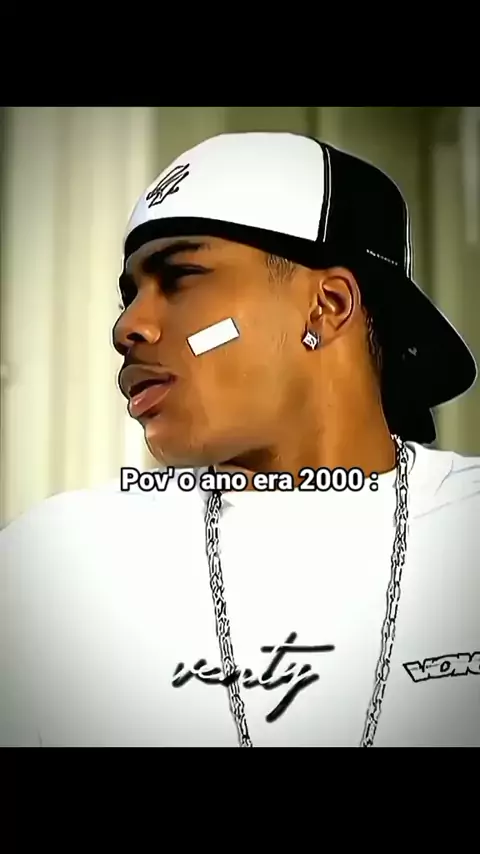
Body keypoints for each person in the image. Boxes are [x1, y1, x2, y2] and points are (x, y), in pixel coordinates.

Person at [1, 131, 479, 748]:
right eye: (131, 294)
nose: (128, 326)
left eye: (182, 277)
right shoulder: (53, 566)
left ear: (328, 305)